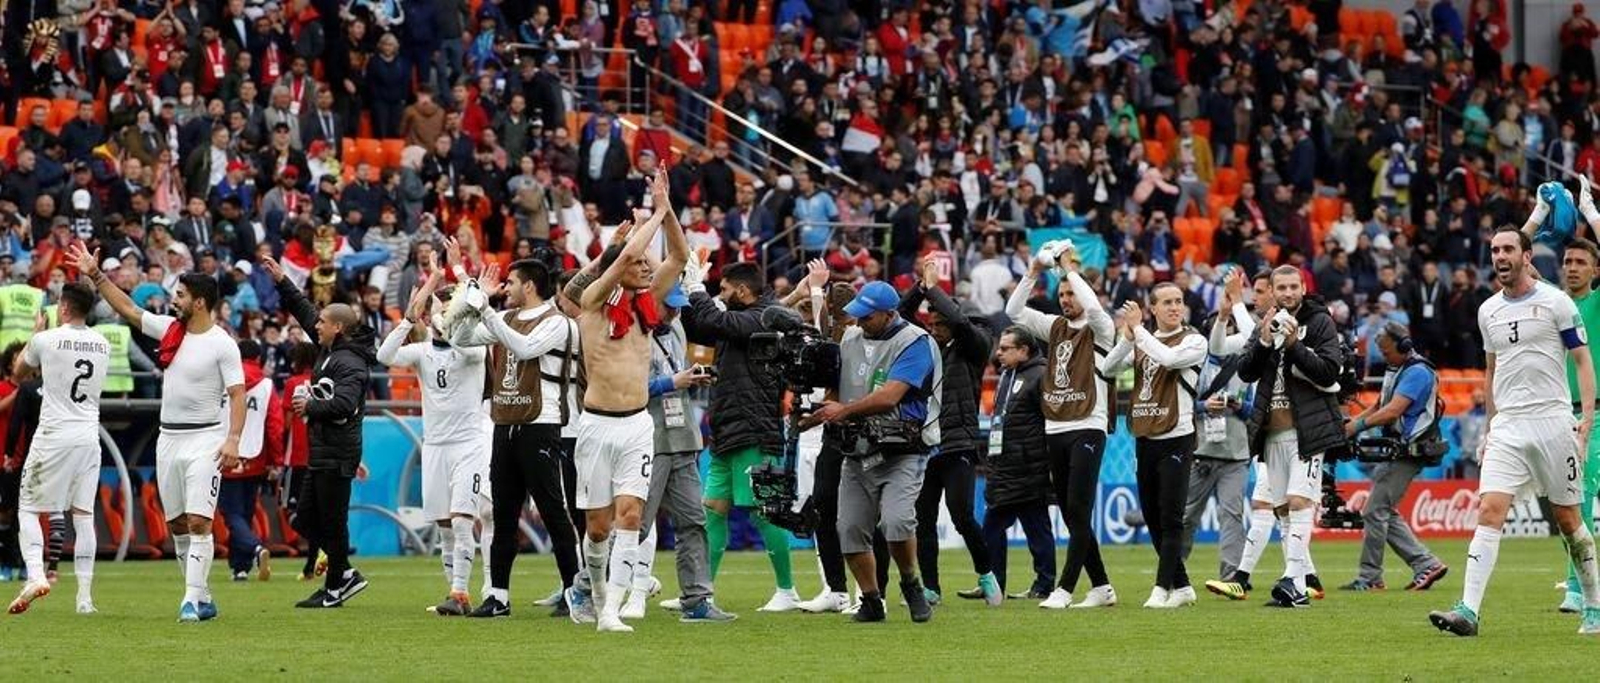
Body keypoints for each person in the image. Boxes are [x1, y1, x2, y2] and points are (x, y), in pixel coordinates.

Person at [1430, 227, 1600, 637]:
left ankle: (1594, 604)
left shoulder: (1557, 303)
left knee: (1568, 518)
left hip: (1553, 422)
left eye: (1508, 249)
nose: (1500, 256)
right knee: (1490, 510)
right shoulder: (1488, 310)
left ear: (1527, 256)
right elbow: (1491, 372)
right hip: (1508, 427)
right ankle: (1468, 611)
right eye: (1494, 250)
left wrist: (1586, 422)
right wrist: (1490, 429)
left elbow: (1582, 361)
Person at [72, 244, 246, 622]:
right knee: (177, 524)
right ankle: (202, 594)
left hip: (206, 439)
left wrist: (232, 439)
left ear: (199, 302)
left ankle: (188, 601)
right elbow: (131, 311)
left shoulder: (223, 345)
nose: (174, 300)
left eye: (180, 295)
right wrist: (97, 276)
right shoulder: (170, 330)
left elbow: (237, 394)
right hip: (169, 439)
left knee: (200, 521)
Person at [564, 172, 688, 633]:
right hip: (596, 426)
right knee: (597, 530)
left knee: (631, 515)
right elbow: (629, 255)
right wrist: (652, 213)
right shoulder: (595, 301)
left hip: (637, 424)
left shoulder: (647, 304)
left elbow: (679, 256)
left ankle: (613, 610)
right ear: (620, 266)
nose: (647, 270)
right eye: (639, 267)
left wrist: (668, 210)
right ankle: (596, 594)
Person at [801, 280, 942, 624]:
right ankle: (870, 599)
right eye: (858, 315)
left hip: (902, 448)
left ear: (889, 313)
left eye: (867, 316)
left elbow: (890, 395)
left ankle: (911, 584)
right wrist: (815, 412)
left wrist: (842, 411)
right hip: (857, 449)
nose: (859, 322)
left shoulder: (916, 342)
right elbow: (838, 386)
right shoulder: (850, 338)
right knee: (848, 529)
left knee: (896, 522)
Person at [449, 257, 580, 619]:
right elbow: (459, 339)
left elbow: (524, 349)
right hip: (505, 422)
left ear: (530, 285)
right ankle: (498, 596)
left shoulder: (559, 323)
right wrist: (471, 308)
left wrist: (486, 310)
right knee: (504, 513)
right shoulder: (505, 319)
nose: (505, 288)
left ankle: (573, 591)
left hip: (541, 422)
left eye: (510, 282)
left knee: (553, 512)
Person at [679, 255, 798, 613]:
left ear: (742, 291)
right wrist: (690, 294)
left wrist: (696, 286)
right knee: (712, 510)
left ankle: (787, 590)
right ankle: (702, 591)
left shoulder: (762, 317)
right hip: (728, 429)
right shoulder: (741, 318)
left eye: (725, 288)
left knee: (767, 510)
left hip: (755, 428)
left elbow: (713, 318)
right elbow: (699, 326)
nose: (721, 293)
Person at [1222, 265, 1346, 608]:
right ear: (1273, 291)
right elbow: (1245, 371)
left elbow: (1329, 371)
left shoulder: (1320, 321)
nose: (1288, 293)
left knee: (1299, 501)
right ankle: (1301, 581)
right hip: (1271, 430)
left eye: (1294, 287)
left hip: (1306, 430)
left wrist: (1294, 346)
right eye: (1282, 287)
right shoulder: (1267, 322)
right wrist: (1264, 340)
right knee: (1281, 509)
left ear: (1304, 288)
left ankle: (1294, 582)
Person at [1004, 244, 1118, 609]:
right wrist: (1035, 271)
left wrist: (1068, 268)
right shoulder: (1054, 326)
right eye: (1062, 294)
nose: (1066, 299)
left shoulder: (1101, 330)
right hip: (1056, 427)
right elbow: (1014, 311)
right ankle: (1101, 586)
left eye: (1071, 293)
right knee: (1071, 513)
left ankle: (1065, 589)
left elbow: (1095, 306)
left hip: (1088, 424)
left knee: (1079, 509)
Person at [378, 263, 495, 617]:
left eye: (446, 314)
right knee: (444, 526)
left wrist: (458, 310)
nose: (438, 320)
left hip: (469, 445)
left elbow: (466, 341)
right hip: (435, 447)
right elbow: (384, 356)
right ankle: (454, 591)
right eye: (435, 314)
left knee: (462, 520)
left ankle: (460, 593)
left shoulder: (471, 349)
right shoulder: (422, 353)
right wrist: (408, 319)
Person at [261, 254, 375, 610]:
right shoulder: (330, 349)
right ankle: (342, 574)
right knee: (305, 518)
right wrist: (282, 282)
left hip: (338, 452)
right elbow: (304, 309)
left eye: (324, 322)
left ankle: (335, 585)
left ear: (338, 328)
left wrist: (308, 407)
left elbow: (344, 404)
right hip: (322, 450)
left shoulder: (352, 362)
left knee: (330, 519)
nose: (317, 325)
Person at [628, 284, 735, 622]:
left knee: (694, 522)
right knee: (635, 526)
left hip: (684, 439)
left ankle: (697, 600)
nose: (675, 313)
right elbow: (624, 391)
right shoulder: (631, 334)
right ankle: (589, 588)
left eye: (677, 307)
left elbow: (681, 367)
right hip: (650, 441)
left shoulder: (675, 326)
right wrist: (671, 383)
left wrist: (694, 378)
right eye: (668, 306)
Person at [898, 258, 998, 605]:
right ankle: (931, 588)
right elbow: (900, 315)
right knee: (922, 519)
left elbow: (957, 320)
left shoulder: (974, 347)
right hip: (925, 444)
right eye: (932, 323)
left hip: (958, 443)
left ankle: (986, 573)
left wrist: (935, 286)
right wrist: (920, 288)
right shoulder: (924, 348)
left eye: (941, 323)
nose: (935, 328)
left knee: (961, 515)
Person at [5, 283, 108, 615]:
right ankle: (84, 599)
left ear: (63, 308)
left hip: (53, 434)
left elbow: (19, 373)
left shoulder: (46, 340)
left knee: (29, 508)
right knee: (83, 515)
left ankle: (35, 574)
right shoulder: (103, 343)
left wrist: (35, 333)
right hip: (88, 436)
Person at [1106, 285, 1206, 608]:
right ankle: (1183, 586)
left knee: (1171, 516)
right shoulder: (1140, 339)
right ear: (1153, 309)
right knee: (1151, 517)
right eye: (1167, 302)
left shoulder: (1194, 340)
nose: (1175, 307)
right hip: (1145, 437)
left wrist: (1138, 331)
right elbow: (1108, 369)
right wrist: (1127, 338)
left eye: (1179, 301)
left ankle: (1162, 588)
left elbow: (1169, 357)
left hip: (1177, 435)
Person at [1342, 323, 1449, 592]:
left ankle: (1372, 577)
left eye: (1387, 352)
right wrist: (1352, 423)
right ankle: (1425, 564)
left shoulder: (1417, 372)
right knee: (1380, 510)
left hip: (1409, 449)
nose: (1384, 357)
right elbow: (1379, 405)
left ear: (1403, 347)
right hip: (1398, 447)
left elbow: (1393, 411)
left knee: (1375, 511)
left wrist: (1356, 427)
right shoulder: (1398, 369)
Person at [1181, 268, 1257, 583]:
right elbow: (1184, 405)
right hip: (1201, 451)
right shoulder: (1196, 365)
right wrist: (1203, 406)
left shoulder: (1245, 368)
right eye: (1219, 325)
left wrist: (1240, 407)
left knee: (1232, 516)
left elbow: (1255, 410)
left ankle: (1231, 577)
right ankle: (1173, 569)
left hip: (1236, 453)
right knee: (1186, 517)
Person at [981, 326, 1057, 602]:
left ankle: (1042, 584)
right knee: (1023, 527)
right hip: (1006, 466)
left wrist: (1040, 460)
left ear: (1023, 350)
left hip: (1027, 467)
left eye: (1005, 348)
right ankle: (997, 583)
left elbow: (1051, 419)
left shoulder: (1039, 375)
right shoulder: (1008, 374)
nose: (998, 353)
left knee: (1022, 528)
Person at [218, 339, 283, 583]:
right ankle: (240, 567)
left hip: (225, 452)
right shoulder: (266, 385)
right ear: (259, 359)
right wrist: (275, 461)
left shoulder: (223, 379)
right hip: (255, 456)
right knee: (244, 513)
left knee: (230, 514)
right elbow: (275, 427)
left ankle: (254, 550)